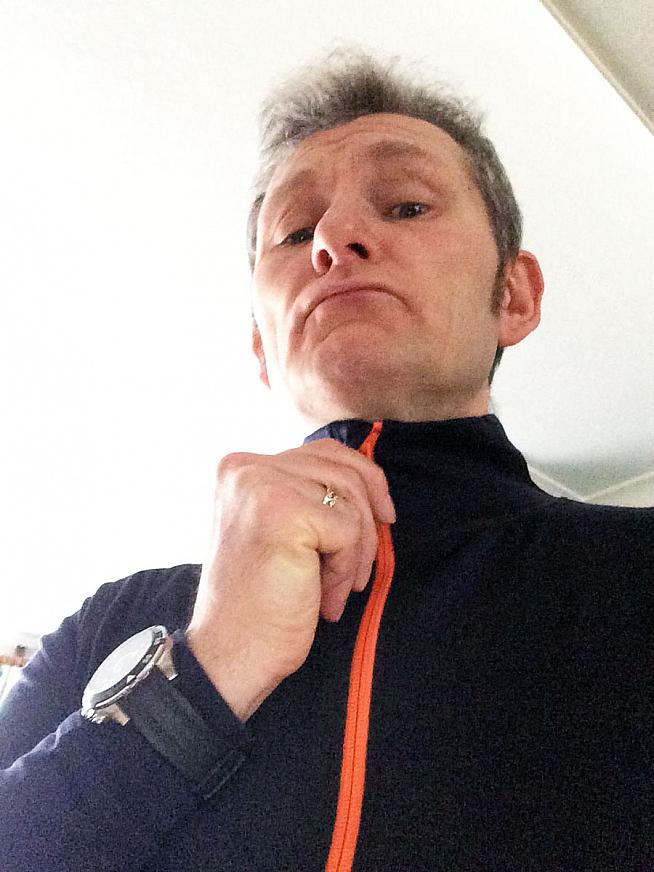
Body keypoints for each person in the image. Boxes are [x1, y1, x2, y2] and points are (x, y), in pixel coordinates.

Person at [1, 45, 652, 871]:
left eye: (407, 206)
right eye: (295, 231)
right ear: (261, 349)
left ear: (514, 296)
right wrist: (203, 674)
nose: (335, 238)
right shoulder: (108, 628)